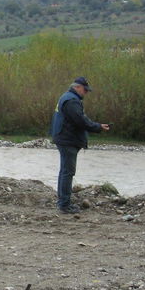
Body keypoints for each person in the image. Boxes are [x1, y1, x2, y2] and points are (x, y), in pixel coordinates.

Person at [50, 77, 110, 214]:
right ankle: (64, 205)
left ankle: (63, 202)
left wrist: (96, 126)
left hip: (63, 138)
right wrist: (98, 127)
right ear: (77, 87)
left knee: (64, 171)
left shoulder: (66, 97)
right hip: (68, 140)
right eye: (85, 90)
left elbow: (79, 120)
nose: (86, 93)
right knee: (68, 172)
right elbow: (81, 121)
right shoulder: (72, 101)